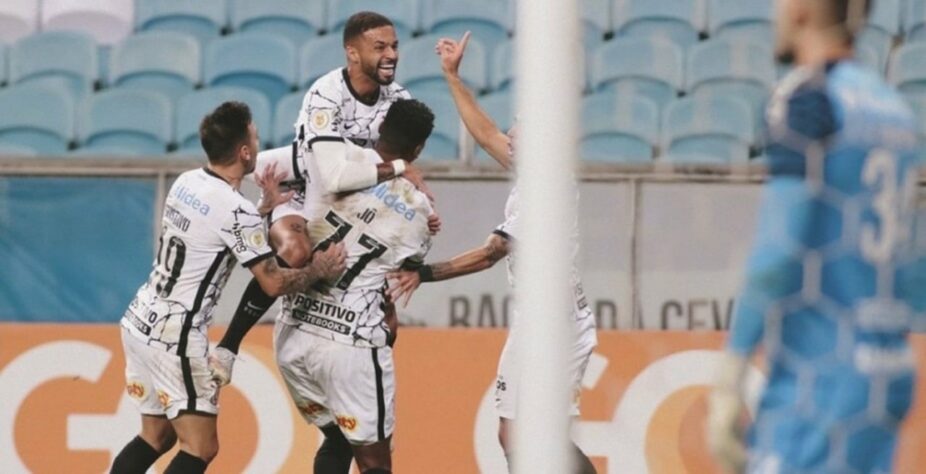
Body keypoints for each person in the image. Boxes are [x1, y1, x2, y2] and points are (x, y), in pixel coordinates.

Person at [706, 0, 925, 472]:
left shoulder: (809, 97)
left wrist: (732, 369)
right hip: (886, 373)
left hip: (820, 379)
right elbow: (912, 270)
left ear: (802, 8)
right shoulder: (896, 111)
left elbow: (777, 250)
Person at [387, 33, 598, 474]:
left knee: (526, 435)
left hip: (553, 326)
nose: (512, 132)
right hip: (544, 318)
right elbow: (485, 135)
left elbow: (492, 252)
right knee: (524, 434)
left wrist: (422, 274)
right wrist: (452, 76)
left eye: (523, 126)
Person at [110, 102, 347, 474]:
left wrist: (263, 207)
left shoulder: (187, 181)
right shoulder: (235, 210)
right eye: (254, 134)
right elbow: (271, 280)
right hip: (175, 335)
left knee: (156, 436)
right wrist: (316, 269)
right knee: (200, 447)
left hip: (141, 319)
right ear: (244, 152)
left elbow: (213, 229)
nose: (258, 138)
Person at [212, 10, 439, 382]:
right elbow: (332, 176)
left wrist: (419, 205)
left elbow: (401, 157)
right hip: (306, 185)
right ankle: (228, 346)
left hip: (354, 194)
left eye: (395, 46)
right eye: (379, 46)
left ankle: (364, 385)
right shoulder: (326, 94)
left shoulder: (398, 98)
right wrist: (400, 170)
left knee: (385, 311)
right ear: (352, 52)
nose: (392, 54)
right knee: (297, 252)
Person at [274, 99, 436, 474]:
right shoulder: (419, 208)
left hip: (294, 331)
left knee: (336, 437)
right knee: (374, 462)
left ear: (380, 130)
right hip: (349, 345)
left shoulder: (333, 168)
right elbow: (407, 264)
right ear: (417, 150)